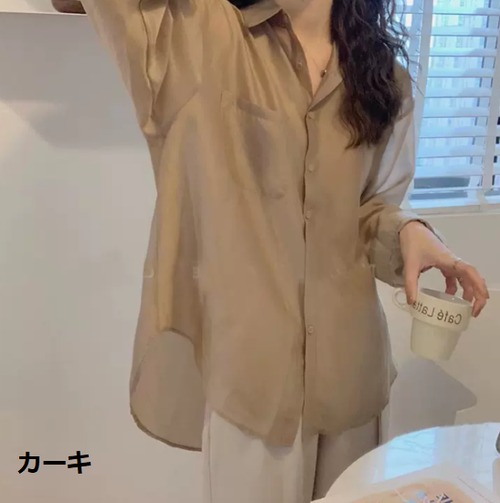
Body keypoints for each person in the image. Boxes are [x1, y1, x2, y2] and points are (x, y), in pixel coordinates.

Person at [71, 0, 490, 501]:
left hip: (351, 373)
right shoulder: (198, 34)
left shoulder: (383, 76)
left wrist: (409, 232)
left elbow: (368, 208)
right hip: (253, 380)